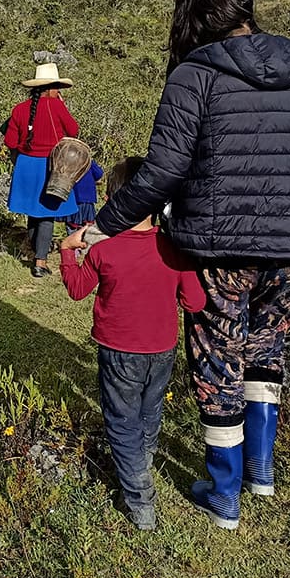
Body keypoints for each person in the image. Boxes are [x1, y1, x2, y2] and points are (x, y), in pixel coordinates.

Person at [88, 0, 290, 530]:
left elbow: (162, 171)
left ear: (190, 24)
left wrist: (107, 225)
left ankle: (224, 494)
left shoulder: (194, 76)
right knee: (266, 353)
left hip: (221, 250)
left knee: (219, 364)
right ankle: (261, 474)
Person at [59, 157, 205, 531]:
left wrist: (66, 249)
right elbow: (195, 303)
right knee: (149, 411)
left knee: (121, 422)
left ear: (112, 200)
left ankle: (140, 501)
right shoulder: (173, 249)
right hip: (162, 349)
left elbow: (77, 290)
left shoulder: (104, 251)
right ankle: (143, 460)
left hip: (118, 348)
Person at [4, 61, 79, 278]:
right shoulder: (57, 106)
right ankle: (40, 261)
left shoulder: (19, 109)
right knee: (47, 214)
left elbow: (10, 140)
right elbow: (73, 130)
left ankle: (35, 250)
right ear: (51, 87)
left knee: (33, 211)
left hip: (26, 165)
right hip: (50, 165)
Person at [62, 160, 103, 231]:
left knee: (72, 226)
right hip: (86, 200)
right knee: (87, 227)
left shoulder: (69, 160)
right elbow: (99, 174)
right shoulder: (88, 162)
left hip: (73, 199)